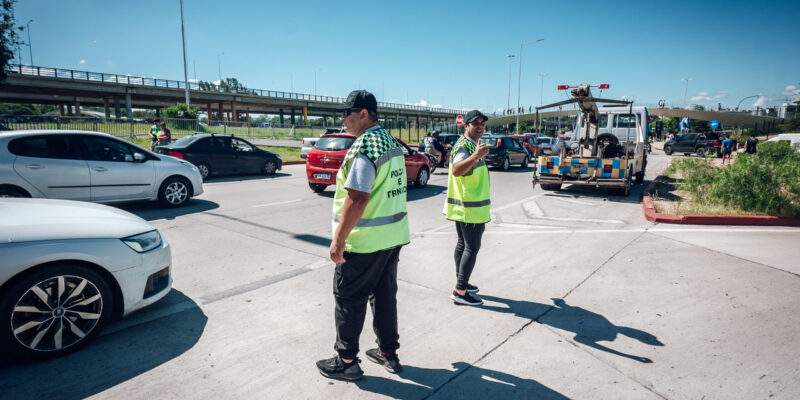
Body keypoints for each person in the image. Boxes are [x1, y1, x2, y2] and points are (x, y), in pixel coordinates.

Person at [316, 90, 410, 381]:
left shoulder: (364, 147)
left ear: (364, 114)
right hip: (391, 237)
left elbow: (357, 198)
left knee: (348, 298)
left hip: (365, 241)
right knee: (384, 297)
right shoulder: (389, 142)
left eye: (347, 113)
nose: (342, 118)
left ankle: (346, 361)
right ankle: (388, 353)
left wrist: (339, 239)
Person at [444, 110, 491, 306]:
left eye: (482, 123)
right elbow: (457, 170)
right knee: (471, 247)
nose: (480, 126)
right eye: (475, 123)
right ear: (466, 126)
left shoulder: (469, 145)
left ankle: (461, 281)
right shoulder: (465, 147)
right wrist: (476, 156)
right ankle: (460, 290)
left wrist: (477, 154)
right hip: (470, 207)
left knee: (463, 245)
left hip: (463, 206)